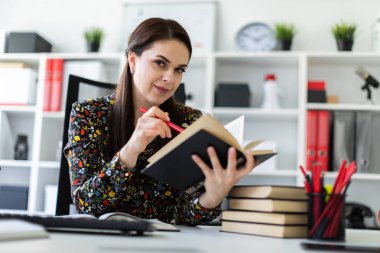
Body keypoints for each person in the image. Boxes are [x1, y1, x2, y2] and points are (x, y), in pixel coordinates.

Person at [64, 17, 255, 226]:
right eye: (160, 63)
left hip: (168, 242)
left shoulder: (191, 122)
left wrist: (212, 197)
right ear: (133, 61)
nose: (170, 78)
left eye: (179, 69)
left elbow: (182, 214)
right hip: (103, 239)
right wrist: (132, 149)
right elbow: (86, 205)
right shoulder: (88, 114)